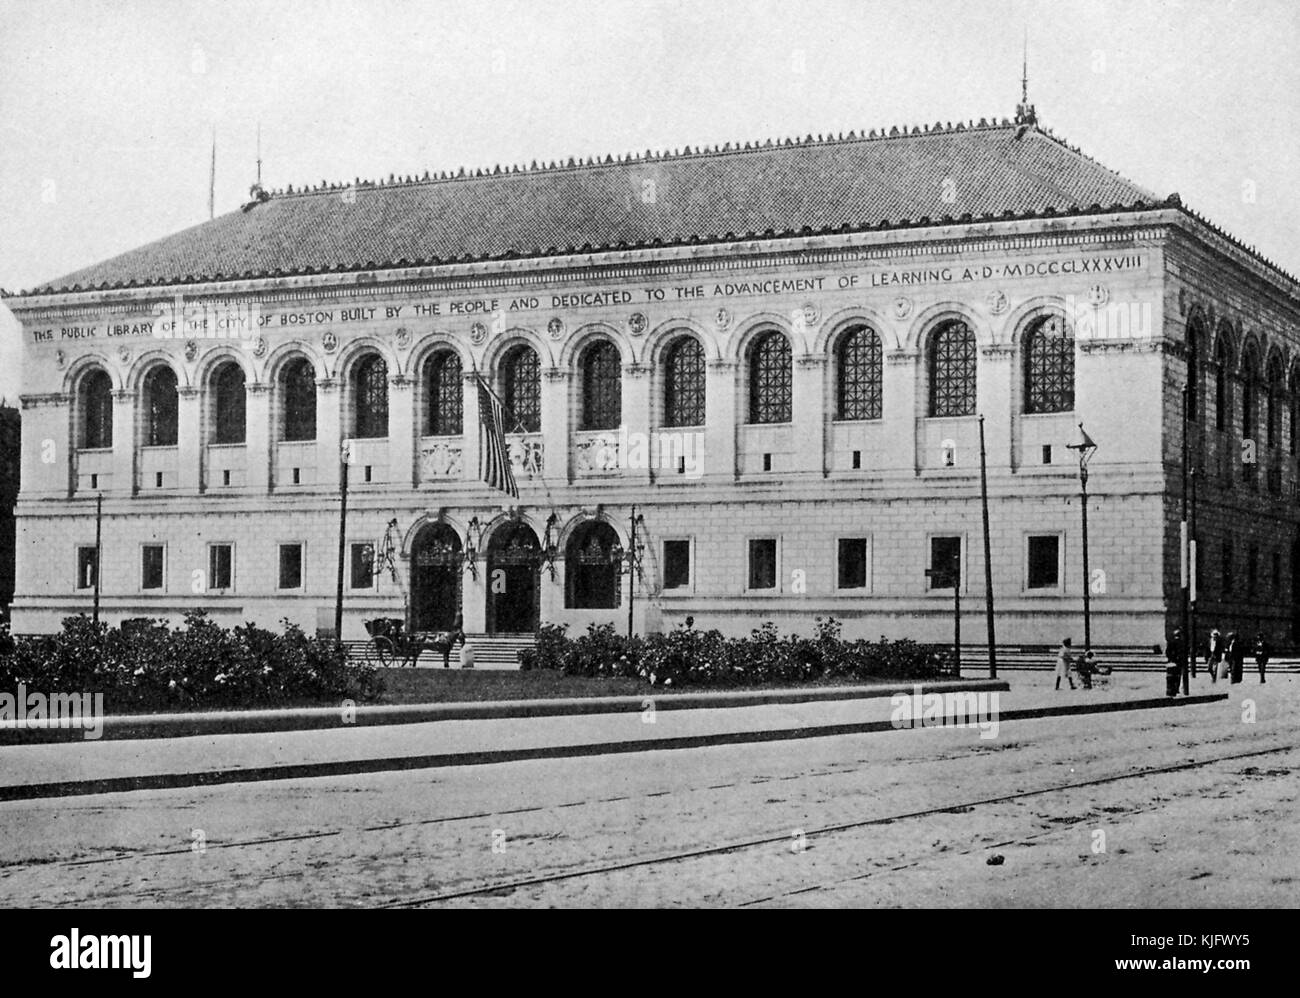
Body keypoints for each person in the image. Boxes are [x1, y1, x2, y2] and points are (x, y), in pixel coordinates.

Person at [1165, 628, 1185, 698]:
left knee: (1170, 677)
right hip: (1178, 662)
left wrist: (1171, 658)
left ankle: (1170, 691)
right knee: (1177, 677)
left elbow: (1167, 652)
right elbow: (1182, 653)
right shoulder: (1181, 643)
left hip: (1171, 662)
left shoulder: (1170, 642)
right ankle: (1176, 689)